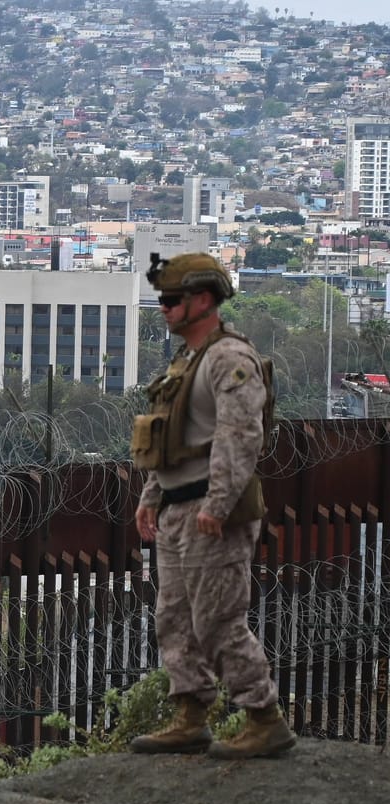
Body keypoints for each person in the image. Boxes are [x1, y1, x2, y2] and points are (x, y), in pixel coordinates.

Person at [127, 252, 291, 759]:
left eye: (172, 300)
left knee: (218, 620)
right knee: (174, 618)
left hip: (210, 512)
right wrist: (152, 495)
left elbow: (239, 438)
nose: (165, 308)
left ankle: (263, 717)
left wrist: (218, 506)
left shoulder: (229, 360)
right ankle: (190, 714)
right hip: (180, 507)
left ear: (202, 301)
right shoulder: (187, 361)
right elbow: (173, 437)